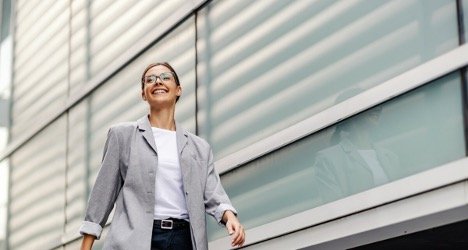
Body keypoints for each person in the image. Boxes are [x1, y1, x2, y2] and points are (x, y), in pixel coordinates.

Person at [79, 62, 245, 250]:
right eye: (150, 80)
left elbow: (214, 194)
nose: (158, 82)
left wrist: (230, 217)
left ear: (178, 90)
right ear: (143, 94)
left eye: (165, 77)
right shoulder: (122, 136)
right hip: (136, 240)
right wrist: (86, 246)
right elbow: (101, 197)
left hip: (183, 240)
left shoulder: (199, 147)